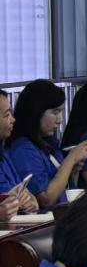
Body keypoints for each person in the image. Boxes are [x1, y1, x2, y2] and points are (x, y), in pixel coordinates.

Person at [7, 79, 87, 209]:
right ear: (36, 112)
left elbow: (66, 190)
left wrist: (73, 170)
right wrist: (70, 159)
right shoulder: (23, 150)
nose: (59, 120)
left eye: (61, 112)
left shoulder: (49, 143)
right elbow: (46, 199)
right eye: (55, 112)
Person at [0, 88, 40, 218]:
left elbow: (22, 190)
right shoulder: (21, 148)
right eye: (7, 115)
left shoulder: (3, 153)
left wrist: (30, 201)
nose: (13, 120)